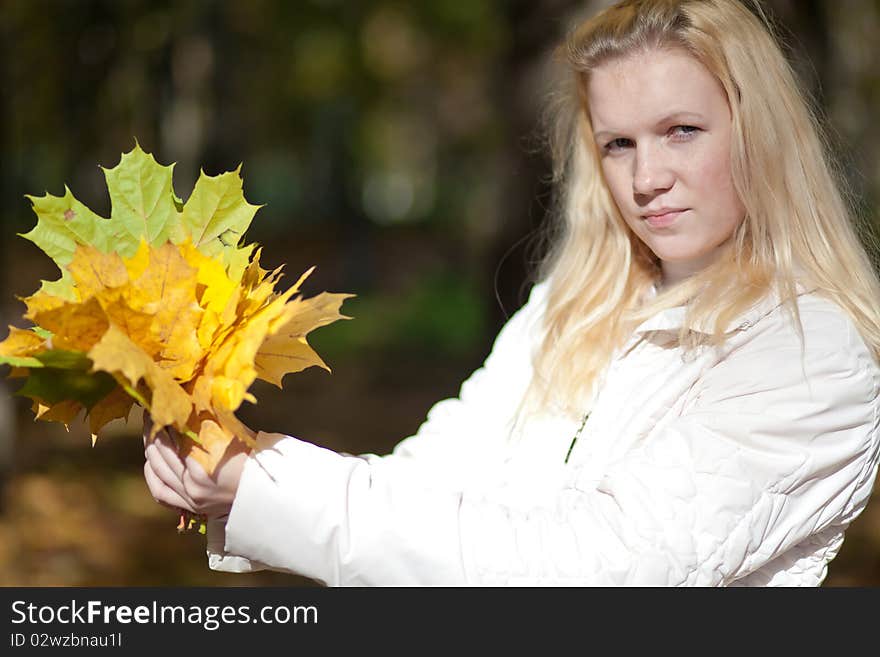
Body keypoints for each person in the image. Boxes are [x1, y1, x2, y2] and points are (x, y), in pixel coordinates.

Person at [143, 0, 880, 586]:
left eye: (681, 131)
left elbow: (589, 572)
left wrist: (266, 488)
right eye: (618, 143)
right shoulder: (574, 303)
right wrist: (241, 462)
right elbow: (429, 484)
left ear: (760, 133)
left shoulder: (812, 353)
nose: (647, 176)